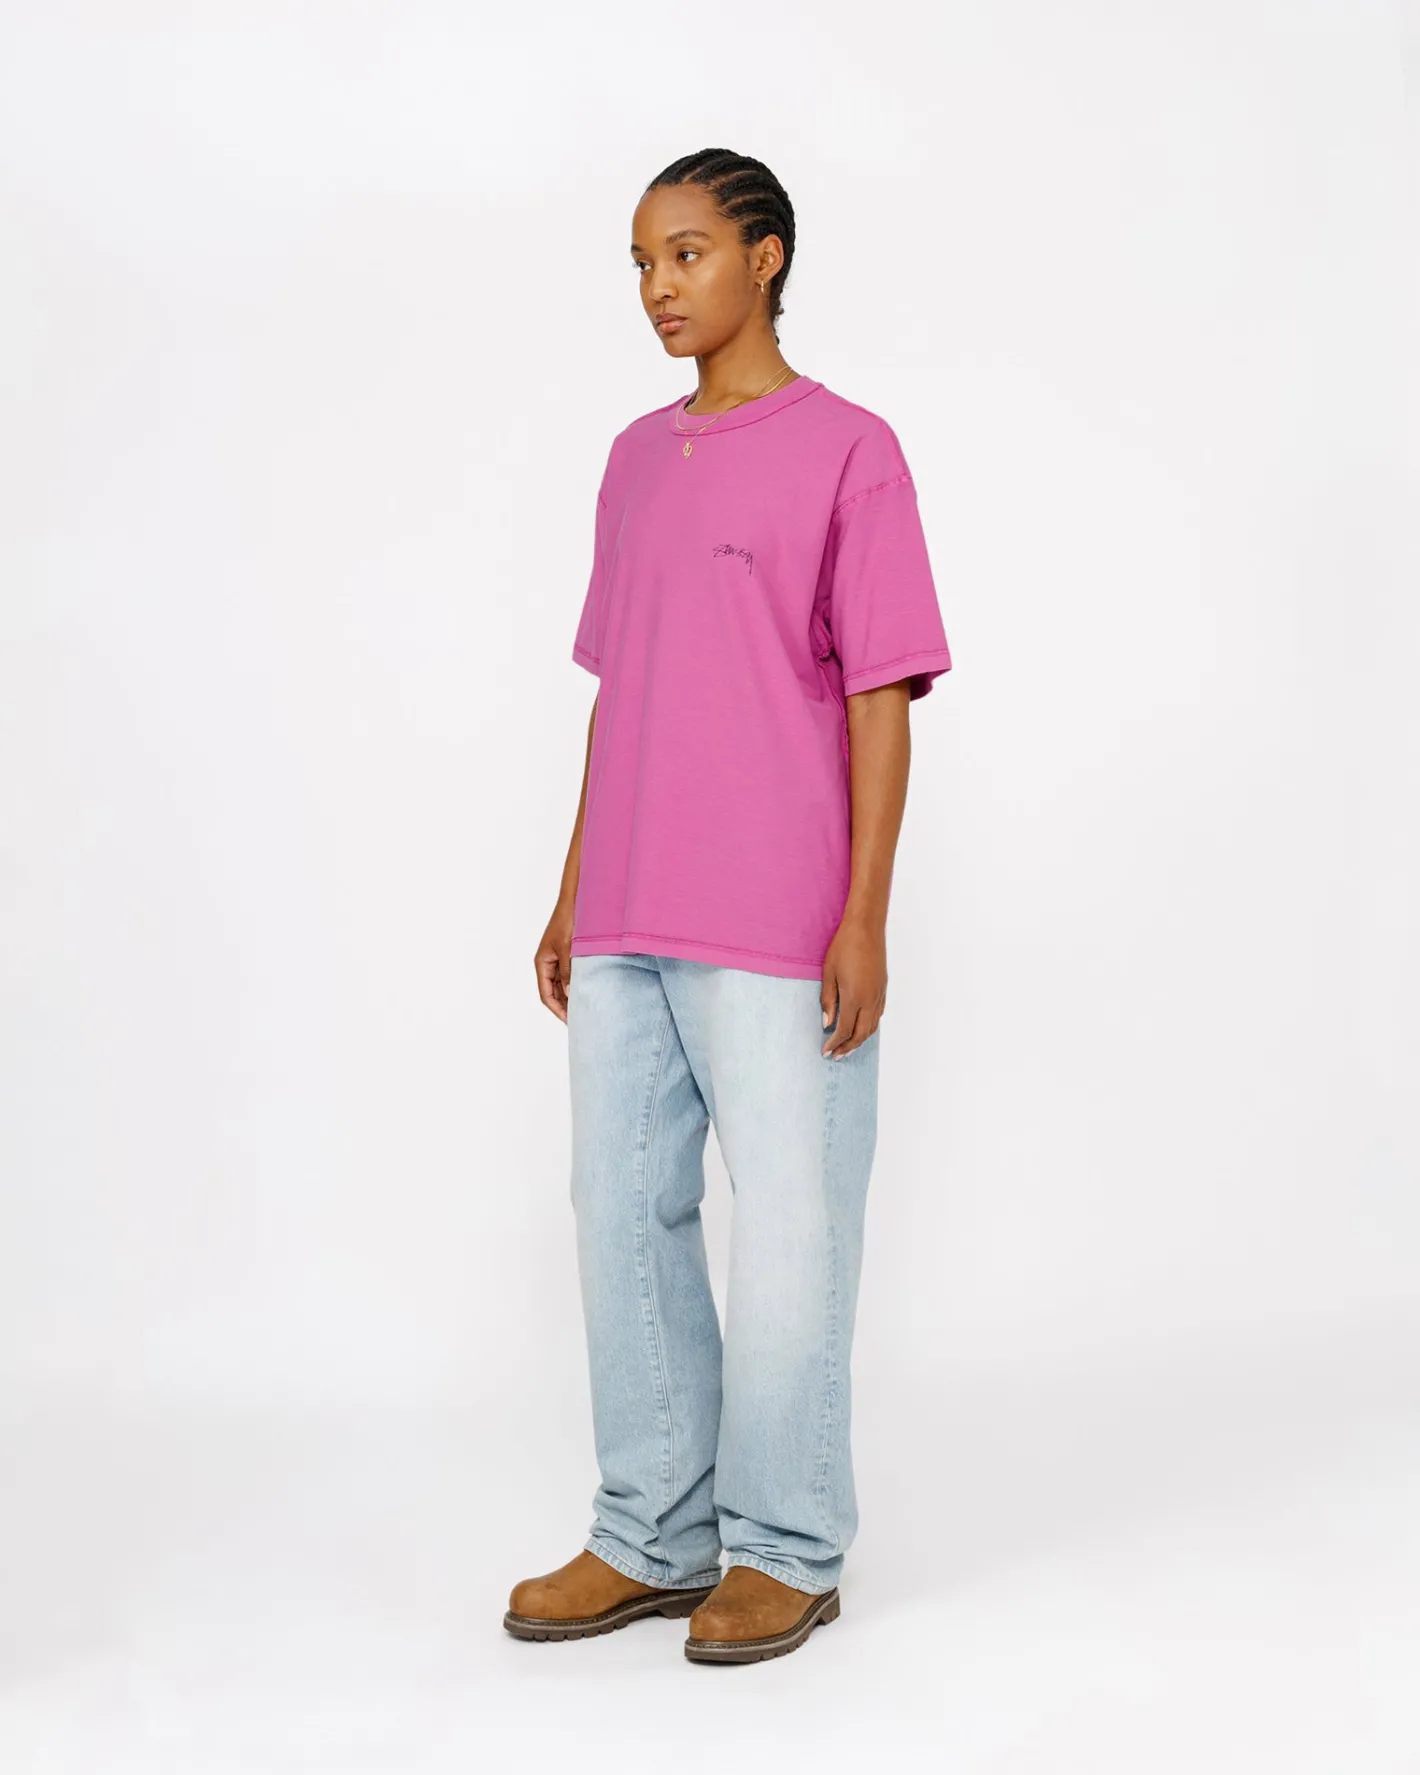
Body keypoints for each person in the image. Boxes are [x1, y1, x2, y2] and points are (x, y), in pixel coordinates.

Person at [507, 148, 952, 1666]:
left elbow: (882, 697)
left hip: (777, 911)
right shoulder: (635, 459)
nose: (658, 287)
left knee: (791, 1235)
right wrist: (573, 887)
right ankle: (650, 1532)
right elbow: (620, 688)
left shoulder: (851, 451)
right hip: (629, 910)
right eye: (641, 262)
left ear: (765, 257)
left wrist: (865, 915)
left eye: (686, 253)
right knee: (621, 1212)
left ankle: (786, 1545)